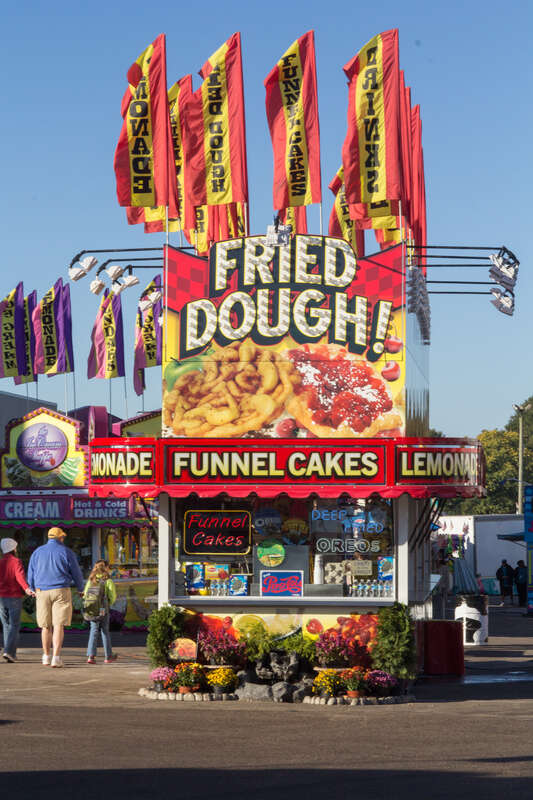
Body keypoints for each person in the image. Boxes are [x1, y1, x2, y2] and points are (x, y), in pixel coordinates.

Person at [27, 527, 85, 668]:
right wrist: (80, 588)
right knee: (58, 625)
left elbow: (31, 572)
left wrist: (32, 587)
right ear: (61, 538)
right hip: (61, 591)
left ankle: (46, 656)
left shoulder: (37, 552)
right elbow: (76, 572)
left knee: (45, 626)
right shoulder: (66, 551)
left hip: (42, 591)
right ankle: (56, 658)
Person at [0, 538, 35, 662]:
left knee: (6, 625)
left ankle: (10, 652)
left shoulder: (0, 562)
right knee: (14, 625)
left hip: (1, 597)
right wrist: (27, 589)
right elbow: (19, 577)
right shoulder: (16, 561)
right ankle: (9, 652)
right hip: (14, 597)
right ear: (13, 549)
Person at [83, 560, 118, 664]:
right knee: (105, 630)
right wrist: (108, 604)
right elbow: (113, 596)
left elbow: (85, 594)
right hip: (103, 609)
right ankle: (108, 656)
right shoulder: (108, 580)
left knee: (93, 630)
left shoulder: (91, 579)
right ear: (106, 568)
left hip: (92, 609)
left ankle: (91, 656)